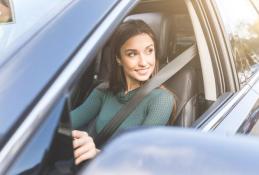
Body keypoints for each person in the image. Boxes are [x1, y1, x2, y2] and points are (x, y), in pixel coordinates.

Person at [70, 19, 175, 165]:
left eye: (149, 51)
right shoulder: (104, 91)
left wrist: (95, 153)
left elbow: (138, 156)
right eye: (132, 54)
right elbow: (68, 123)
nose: (144, 62)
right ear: (119, 59)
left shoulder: (161, 100)